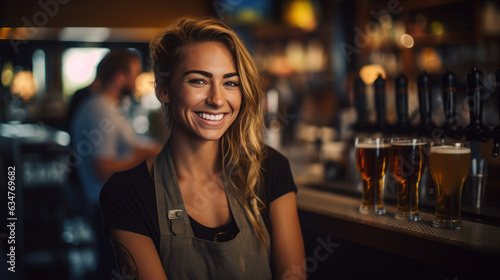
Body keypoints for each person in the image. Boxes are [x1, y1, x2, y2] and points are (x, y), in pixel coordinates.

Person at [100, 18, 305, 279]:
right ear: (164, 89)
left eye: (230, 83)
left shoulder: (269, 167)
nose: (217, 99)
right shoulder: (126, 194)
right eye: (198, 81)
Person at [69, 49, 162, 279]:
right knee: (114, 269)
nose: (136, 80)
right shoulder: (100, 111)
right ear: (120, 77)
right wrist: (146, 158)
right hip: (106, 207)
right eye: (135, 74)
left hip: (109, 205)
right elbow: (102, 168)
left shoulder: (106, 106)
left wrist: (152, 148)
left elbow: (126, 147)